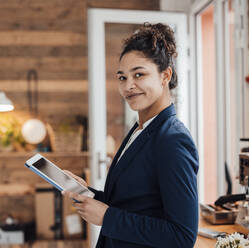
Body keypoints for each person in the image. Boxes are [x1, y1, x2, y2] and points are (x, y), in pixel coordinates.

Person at [62, 22, 199, 248]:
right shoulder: (140, 129)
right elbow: (133, 204)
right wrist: (89, 194)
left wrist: (107, 218)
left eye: (139, 75)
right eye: (122, 77)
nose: (128, 86)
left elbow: (182, 236)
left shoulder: (172, 140)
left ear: (165, 76)